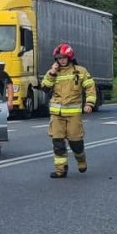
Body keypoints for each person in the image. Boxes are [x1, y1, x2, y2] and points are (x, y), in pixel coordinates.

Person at [41, 43, 96, 178]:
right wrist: (52, 73)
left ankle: (81, 160)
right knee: (58, 143)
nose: (62, 60)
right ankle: (60, 170)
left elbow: (90, 88)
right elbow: (45, 88)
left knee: (76, 143)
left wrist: (89, 104)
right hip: (56, 115)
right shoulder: (53, 72)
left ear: (70, 57)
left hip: (73, 114)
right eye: (59, 58)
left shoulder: (80, 71)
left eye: (64, 58)